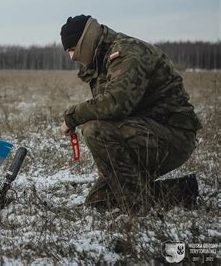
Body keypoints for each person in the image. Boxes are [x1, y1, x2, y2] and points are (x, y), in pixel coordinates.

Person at [59, 15, 202, 212]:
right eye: (68, 52)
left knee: (95, 130)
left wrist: (72, 116)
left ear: (86, 39)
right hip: (143, 133)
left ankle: (136, 208)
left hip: (174, 136)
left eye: (73, 49)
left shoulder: (128, 52)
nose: (72, 57)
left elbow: (116, 103)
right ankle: (181, 191)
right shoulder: (101, 59)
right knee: (99, 202)